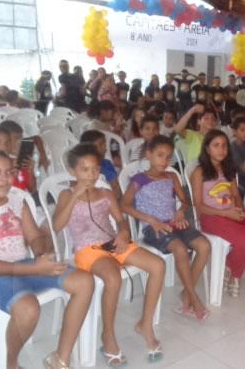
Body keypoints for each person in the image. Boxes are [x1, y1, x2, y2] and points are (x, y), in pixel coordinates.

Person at [0, 150, 94, 369]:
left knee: (84, 281)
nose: (4, 178)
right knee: (28, 307)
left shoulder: (17, 199)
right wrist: (36, 268)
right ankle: (11, 363)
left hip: (23, 266)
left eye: (9, 172)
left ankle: (60, 358)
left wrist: (41, 254)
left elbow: (35, 237)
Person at [53, 144, 165, 364]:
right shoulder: (66, 195)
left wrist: (123, 233)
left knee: (158, 265)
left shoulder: (105, 193)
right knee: (112, 276)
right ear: (72, 171)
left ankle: (145, 324)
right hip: (87, 249)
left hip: (113, 242)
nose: (91, 175)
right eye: (84, 170)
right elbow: (56, 226)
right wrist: (75, 195)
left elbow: (121, 220)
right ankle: (108, 335)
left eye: (95, 169)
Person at [121, 136, 211, 320]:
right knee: (180, 249)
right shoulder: (139, 179)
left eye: (168, 157)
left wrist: (180, 212)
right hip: (153, 228)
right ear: (149, 154)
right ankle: (193, 298)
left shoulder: (171, 176)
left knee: (204, 246)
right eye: (160, 155)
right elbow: (124, 205)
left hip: (174, 222)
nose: (165, 160)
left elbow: (185, 201)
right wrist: (151, 220)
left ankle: (186, 294)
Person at [191, 130, 245, 297]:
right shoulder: (199, 172)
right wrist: (226, 214)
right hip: (210, 216)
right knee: (243, 240)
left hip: (231, 212)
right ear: (207, 149)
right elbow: (198, 205)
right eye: (216, 146)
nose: (221, 150)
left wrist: (240, 210)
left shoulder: (228, 169)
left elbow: (235, 195)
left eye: (224, 146)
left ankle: (230, 263)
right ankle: (236, 276)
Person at [79, 130, 122, 198]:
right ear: (89, 148)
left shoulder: (107, 163)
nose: (105, 148)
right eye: (101, 145)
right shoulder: (87, 171)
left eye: (104, 144)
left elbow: (116, 185)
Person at [230, 117, 245, 196]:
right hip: (239, 178)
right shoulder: (233, 148)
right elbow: (244, 169)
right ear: (235, 131)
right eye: (242, 130)